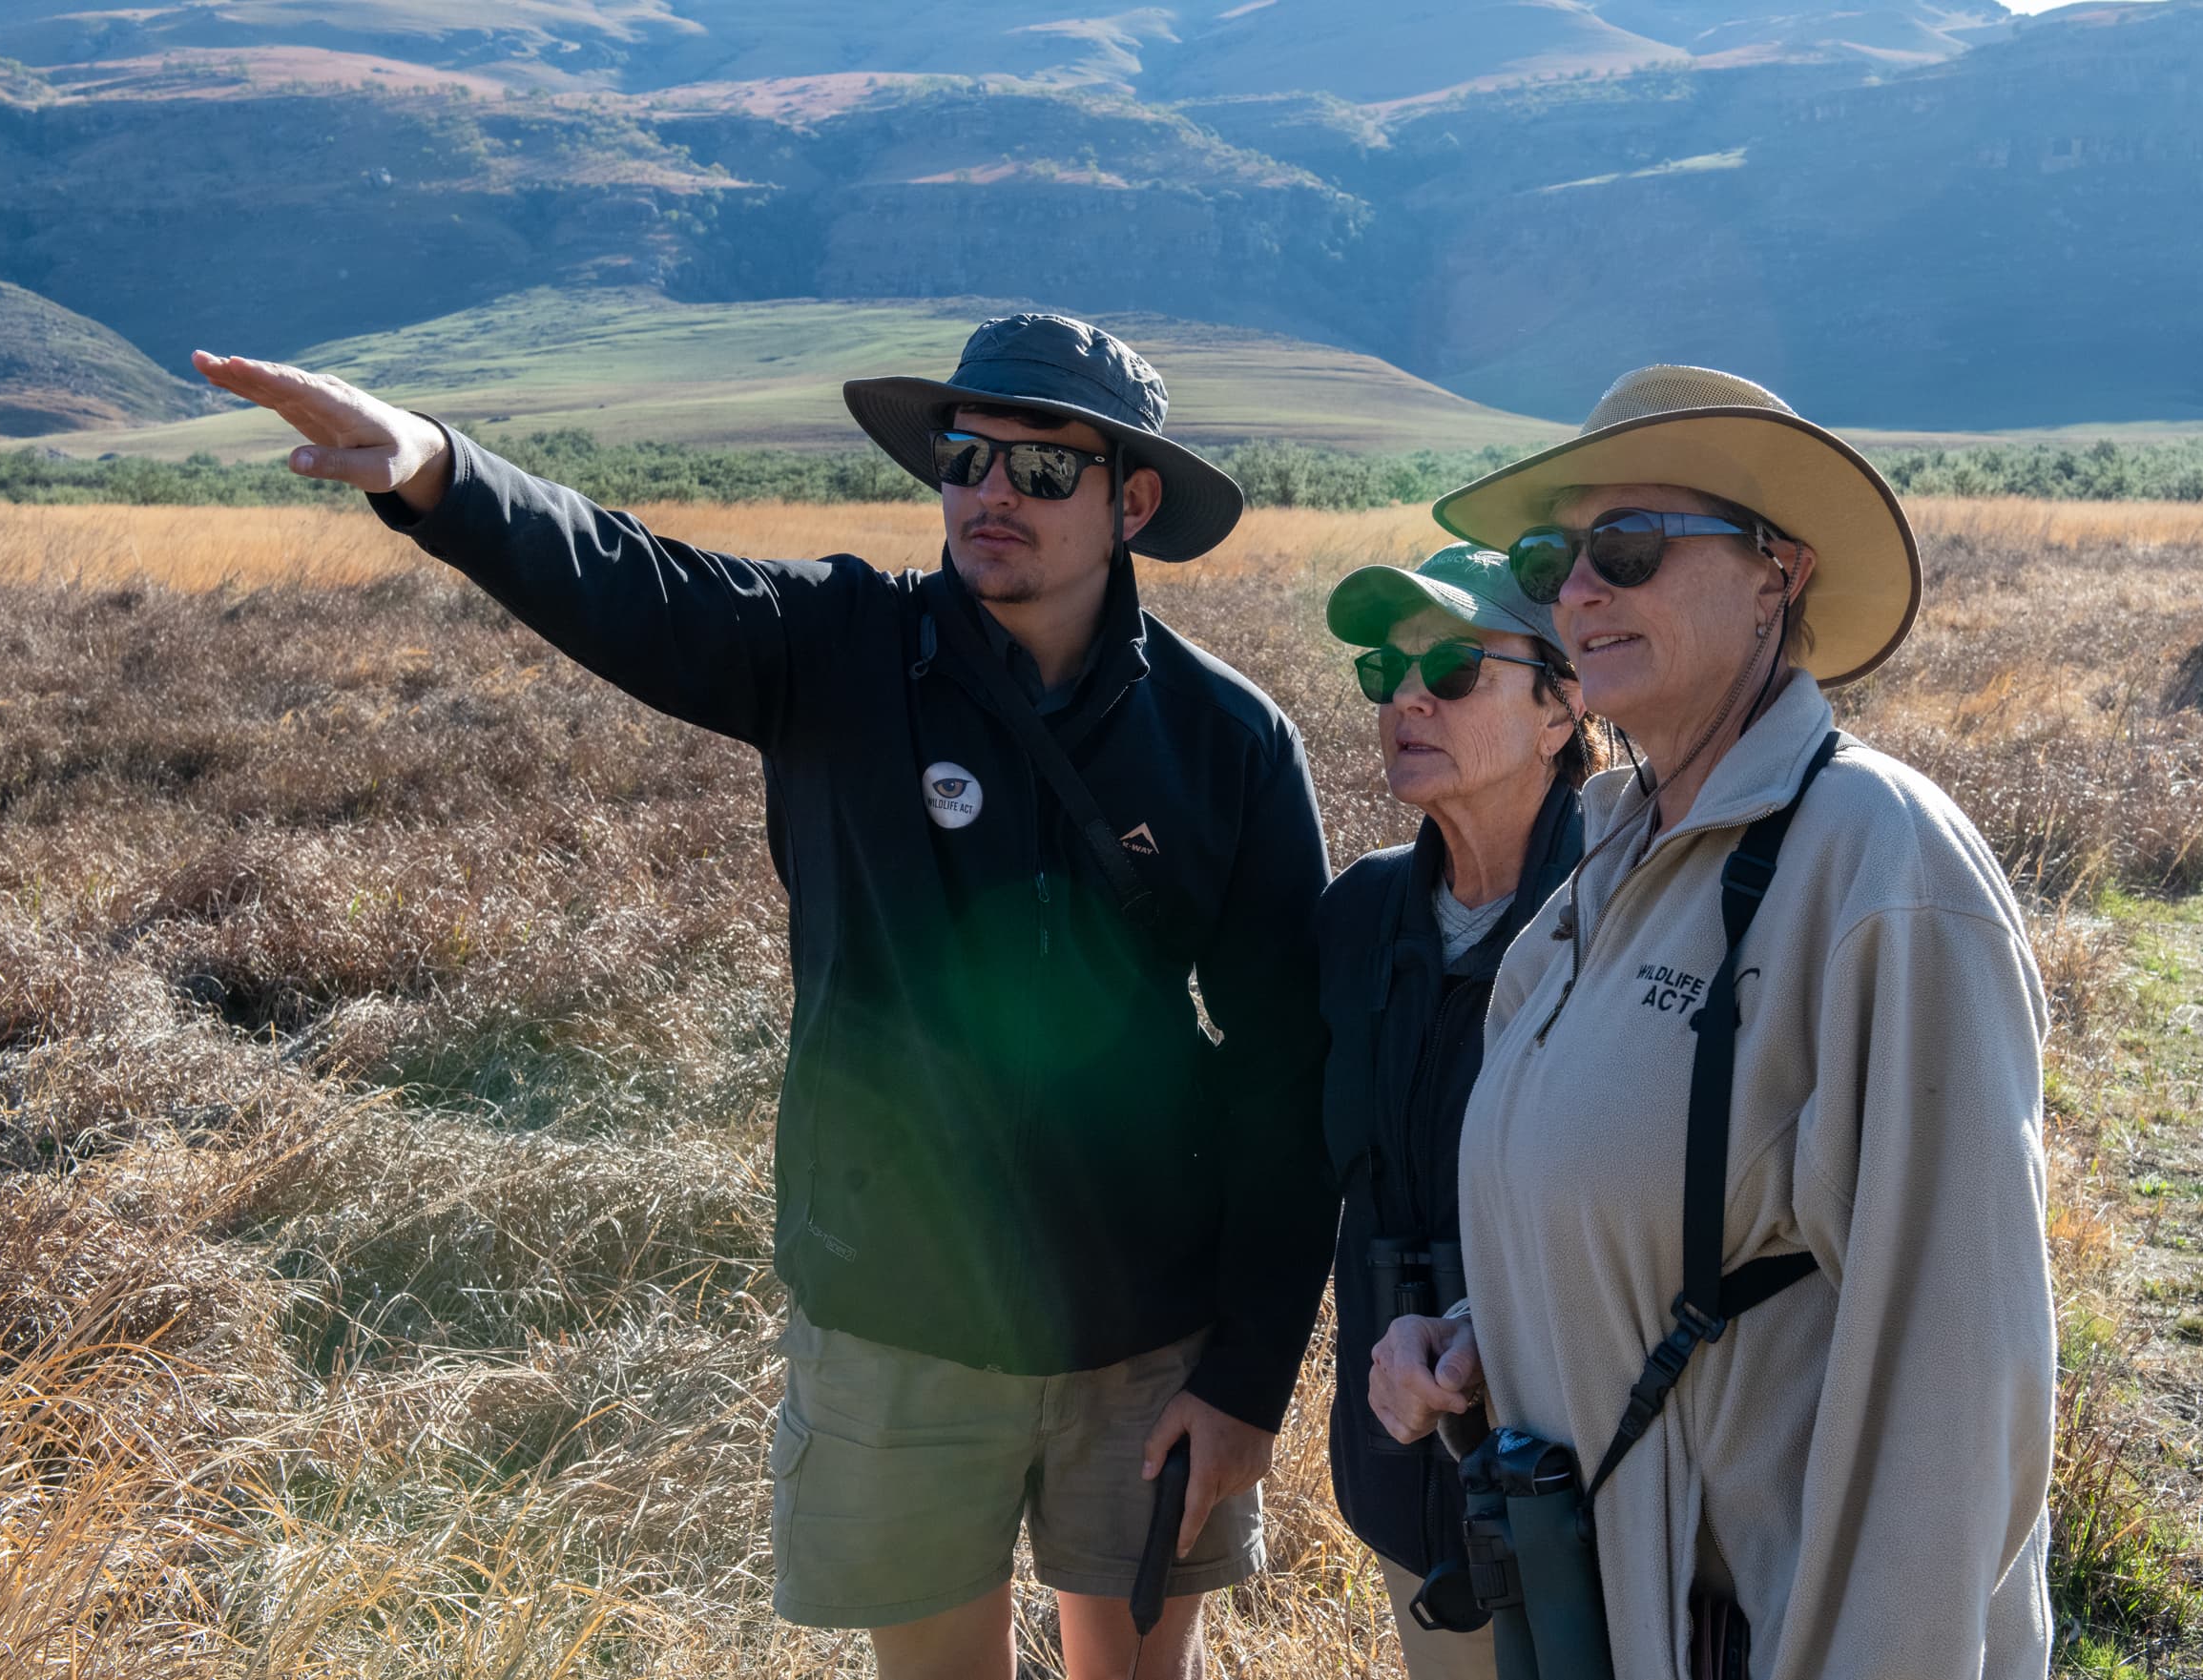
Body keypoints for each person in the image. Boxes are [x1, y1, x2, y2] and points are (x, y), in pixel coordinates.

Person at [194, 314, 1336, 1680]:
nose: (987, 493)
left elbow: (1288, 1072)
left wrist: (1248, 1376)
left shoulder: (1226, 737)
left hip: (1149, 1342)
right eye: (964, 456)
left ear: (1131, 500)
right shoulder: (835, 652)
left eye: (1040, 470)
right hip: (898, 1317)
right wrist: (439, 470)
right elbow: (633, 582)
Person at [1368, 365, 2056, 1679]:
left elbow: (1959, 1377)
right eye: (1553, 554)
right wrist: (1488, 1329)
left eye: (1626, 547)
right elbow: (1676, 1214)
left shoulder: (1879, 864)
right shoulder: (1615, 852)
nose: (1576, 589)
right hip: (1593, 1613)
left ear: (1773, 577)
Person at [1315, 543, 1598, 1679]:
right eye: (1386, 670)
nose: (1408, 698)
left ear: (1561, 708)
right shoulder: (1358, 915)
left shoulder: (1624, 917)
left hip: (1577, 1476)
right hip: (1399, 1465)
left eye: (1453, 669)